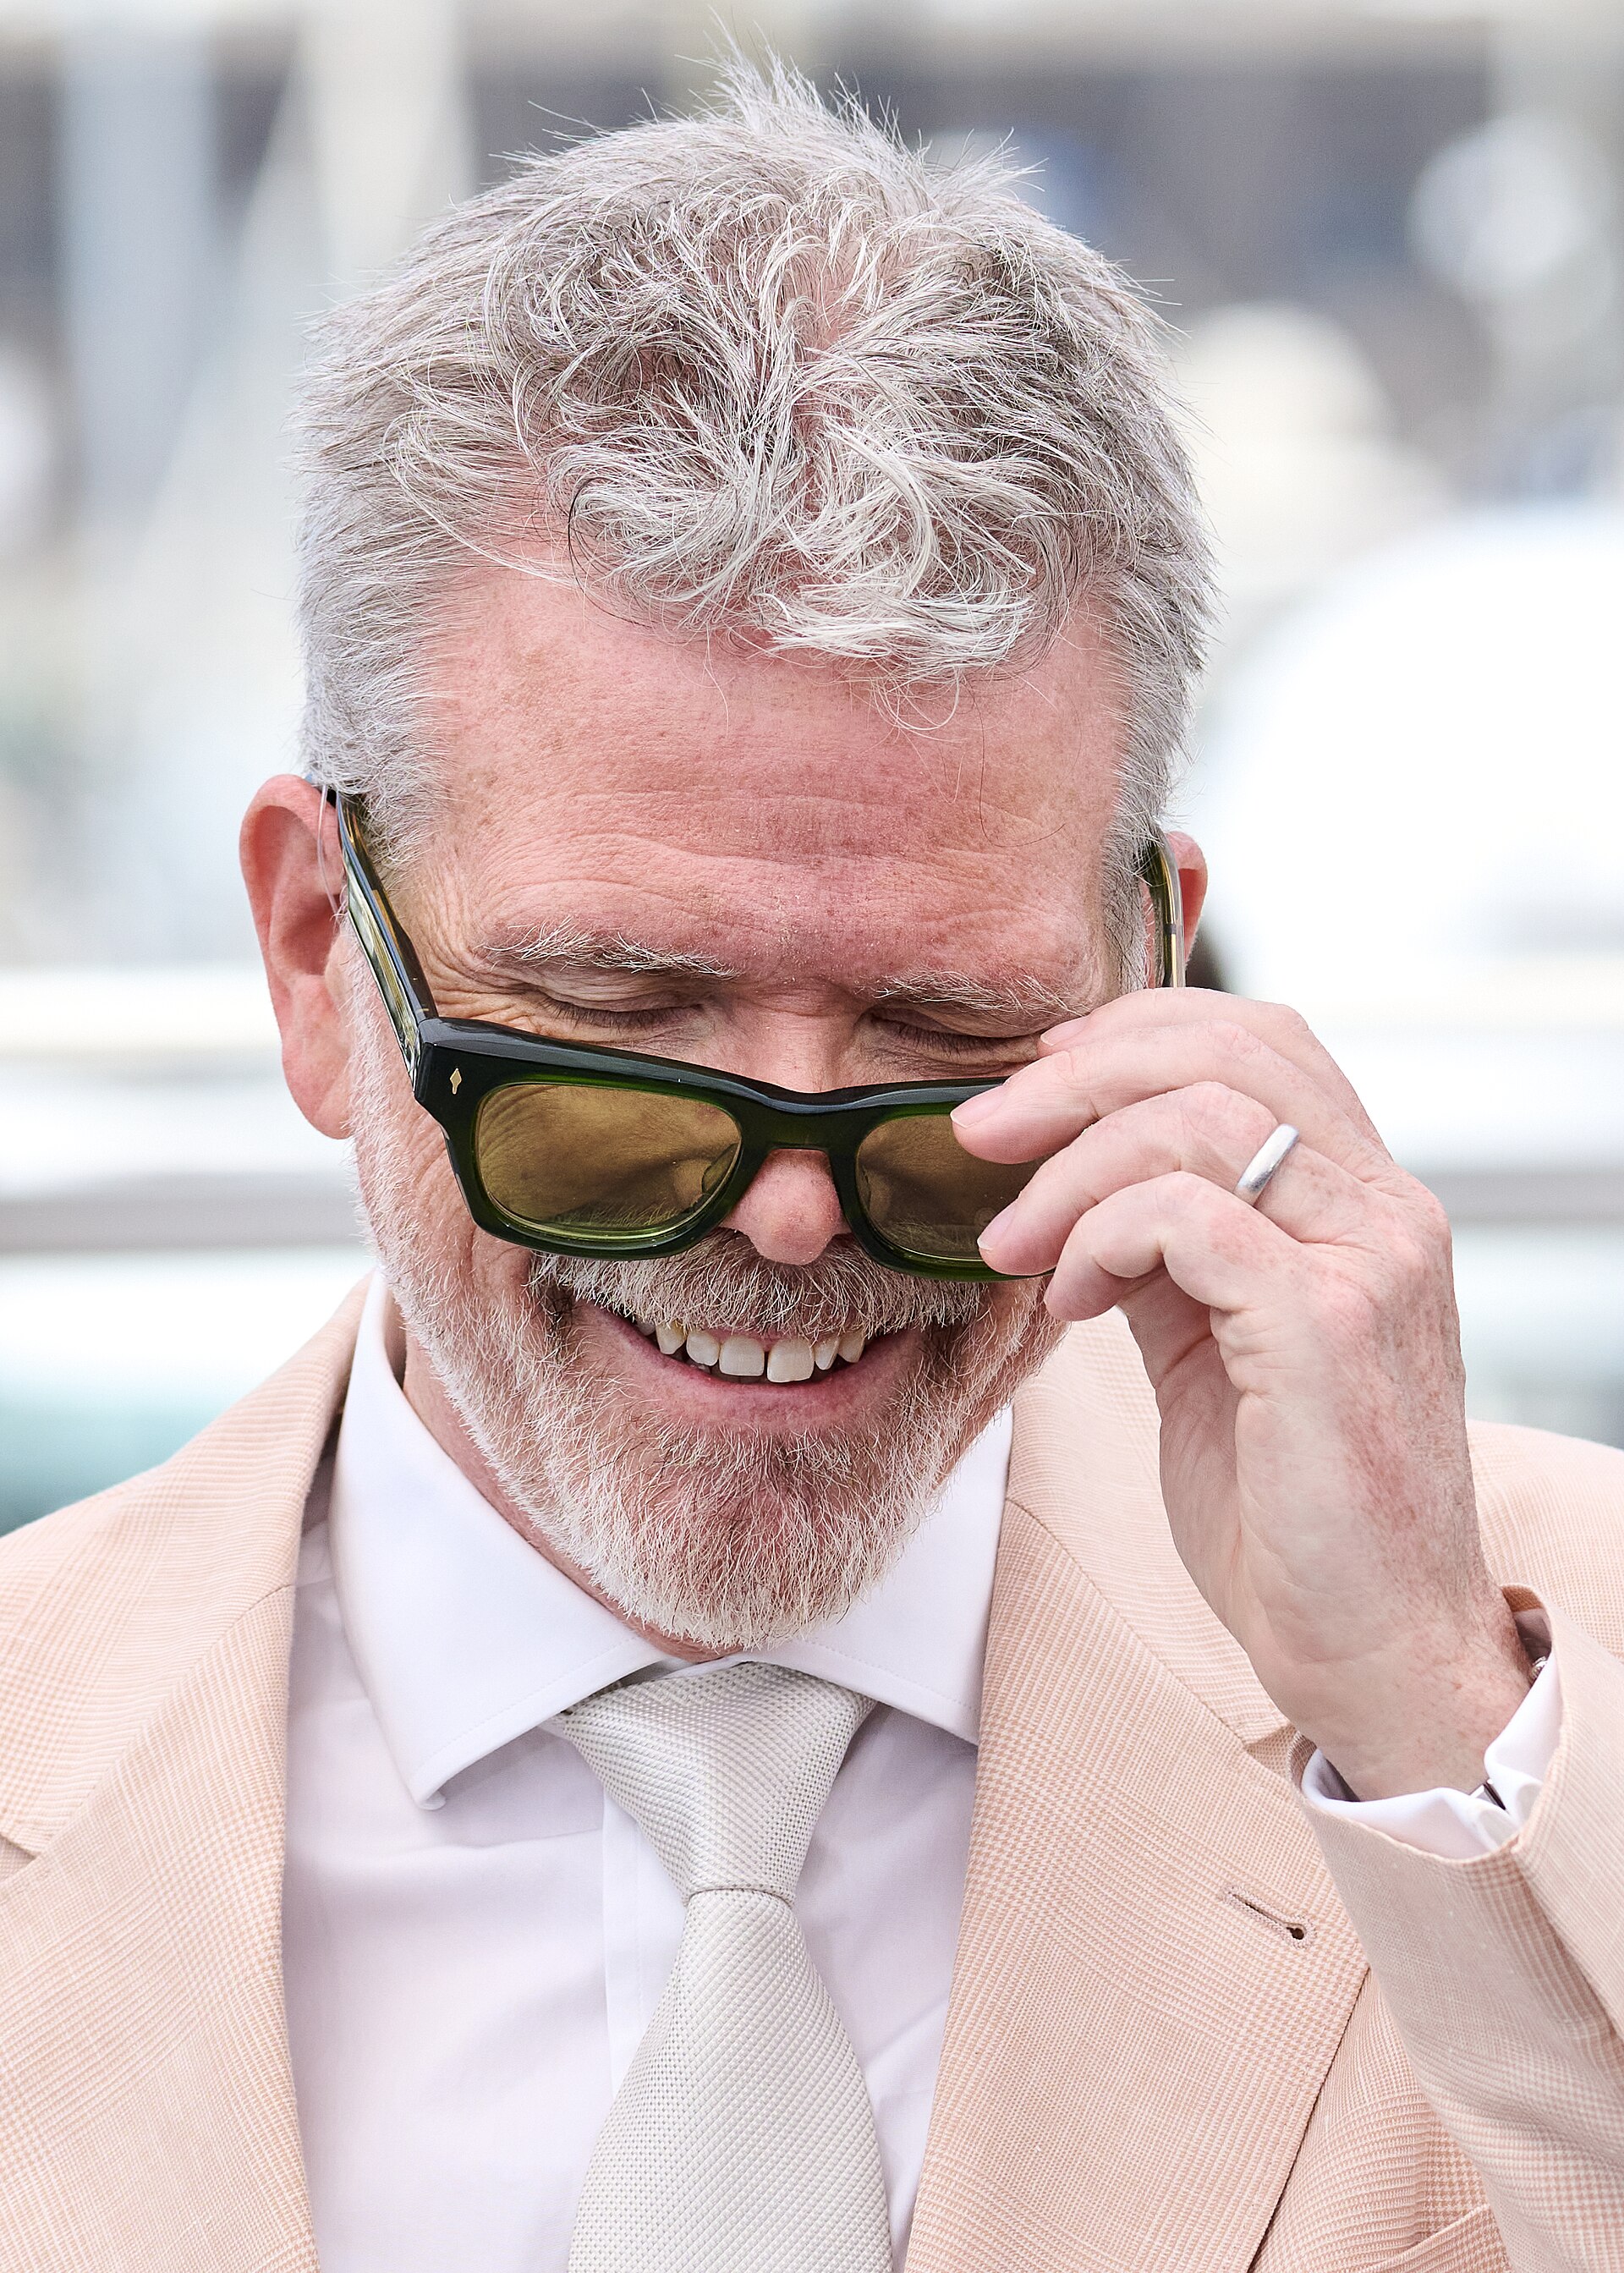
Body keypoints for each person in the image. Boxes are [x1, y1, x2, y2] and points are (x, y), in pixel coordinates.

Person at [3, 59, 1621, 2273]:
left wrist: (1432, 1729)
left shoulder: (1538, 1687)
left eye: (946, 1051)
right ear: (315, 960)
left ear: (1156, 968)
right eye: (621, 1045)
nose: (785, 1214)